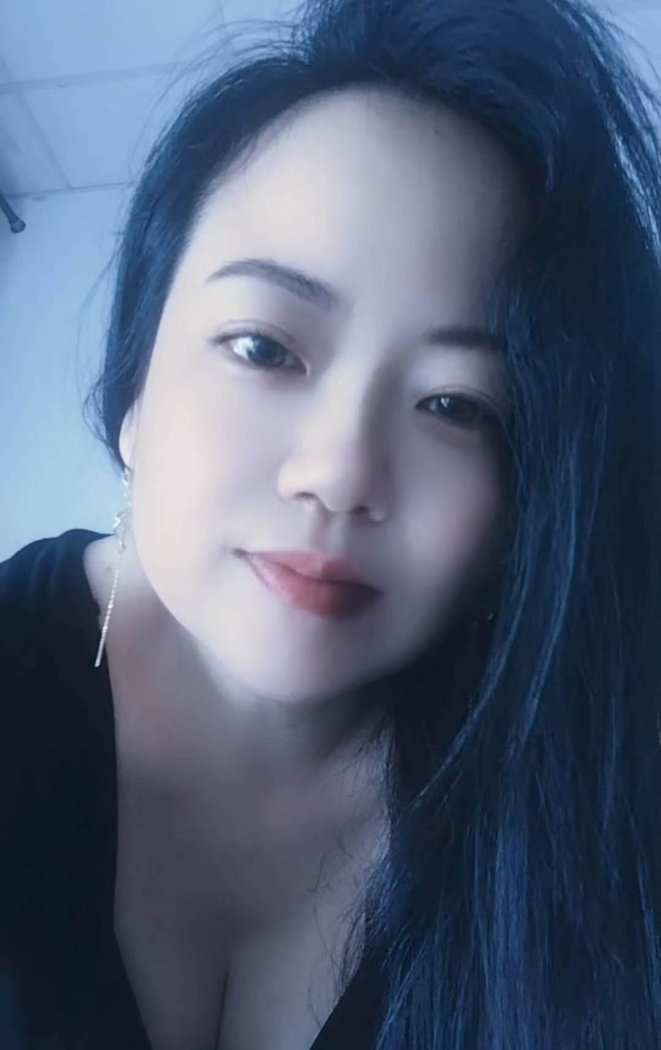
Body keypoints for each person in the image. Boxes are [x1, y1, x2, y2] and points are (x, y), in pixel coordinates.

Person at [2, 0, 660, 1046]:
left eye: (456, 405)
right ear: (133, 393)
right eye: (264, 348)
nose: (340, 473)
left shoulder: (580, 806)